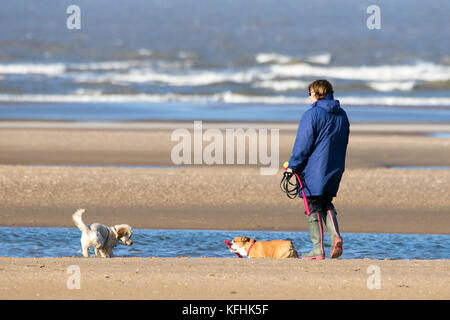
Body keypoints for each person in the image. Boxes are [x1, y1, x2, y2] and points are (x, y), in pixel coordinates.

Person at [287, 80, 349, 259]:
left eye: (310, 93)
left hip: (314, 168)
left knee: (313, 205)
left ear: (316, 93)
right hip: (334, 166)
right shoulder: (342, 115)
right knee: (326, 202)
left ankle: (318, 249)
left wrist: (293, 165)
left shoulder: (312, 114)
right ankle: (336, 236)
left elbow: (303, 144)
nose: (308, 96)